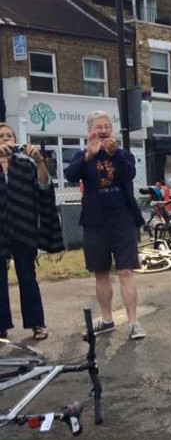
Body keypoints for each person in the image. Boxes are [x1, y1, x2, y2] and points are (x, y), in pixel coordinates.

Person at [65, 112, 146, 339]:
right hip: (95, 221)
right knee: (101, 272)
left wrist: (115, 154)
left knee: (126, 271)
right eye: (98, 127)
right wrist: (88, 156)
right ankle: (107, 319)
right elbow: (70, 175)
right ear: (90, 131)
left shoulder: (123, 154)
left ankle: (133, 322)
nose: (103, 131)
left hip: (122, 219)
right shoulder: (83, 155)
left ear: (112, 130)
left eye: (107, 126)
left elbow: (129, 174)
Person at [0, 124, 63, 340]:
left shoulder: (25, 165)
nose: (5, 139)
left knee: (27, 277)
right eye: (1, 136)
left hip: (23, 228)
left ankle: (37, 323)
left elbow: (44, 186)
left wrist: (39, 161)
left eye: (9, 136)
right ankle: (1, 326)